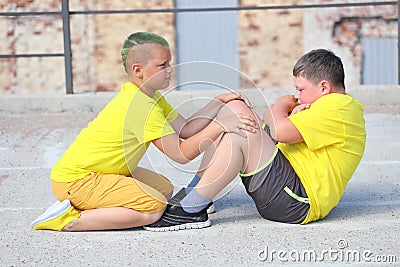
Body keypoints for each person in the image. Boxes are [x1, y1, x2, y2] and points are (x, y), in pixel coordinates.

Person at [30, 32, 258, 231]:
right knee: (153, 208)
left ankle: (98, 201)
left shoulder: (148, 94)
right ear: (138, 70)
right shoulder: (140, 106)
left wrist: (218, 102)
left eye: (170, 63)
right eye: (162, 65)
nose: (170, 70)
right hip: (77, 180)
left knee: (165, 189)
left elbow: (186, 129)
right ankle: (69, 219)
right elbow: (180, 153)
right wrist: (221, 125)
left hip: (104, 173)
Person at [144, 48, 366, 231]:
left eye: (300, 89)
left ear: (324, 87)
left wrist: (283, 103)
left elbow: (277, 129)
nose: (296, 95)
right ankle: (197, 192)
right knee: (234, 107)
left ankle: (191, 211)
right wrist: (283, 113)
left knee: (241, 127)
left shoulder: (338, 107)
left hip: (297, 202)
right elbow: (273, 126)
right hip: (286, 185)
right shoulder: (326, 106)